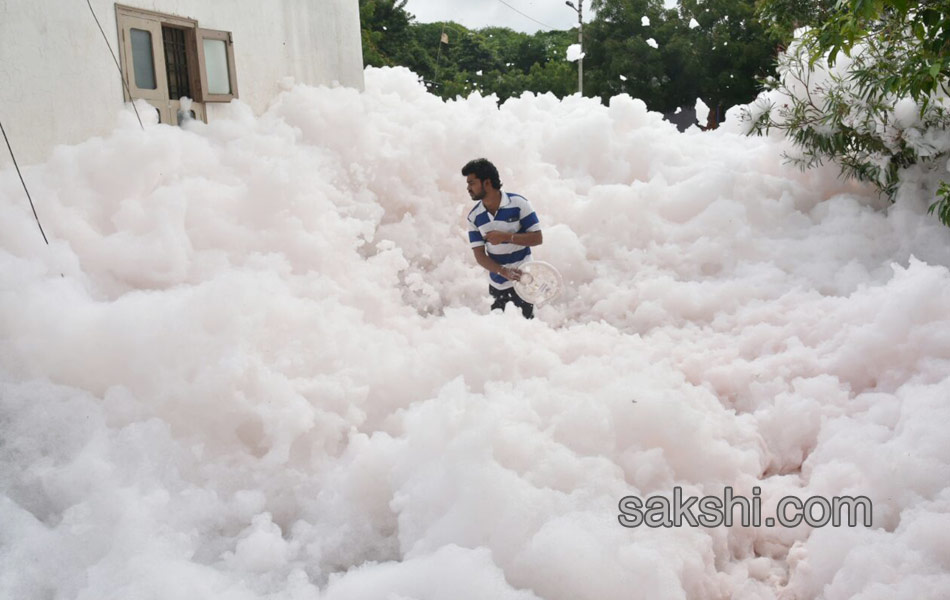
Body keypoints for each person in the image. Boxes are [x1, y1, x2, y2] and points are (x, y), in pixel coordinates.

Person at [462, 158, 543, 318]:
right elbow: (479, 255)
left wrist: (506, 237)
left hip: (524, 280)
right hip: (497, 284)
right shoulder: (474, 217)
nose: (468, 188)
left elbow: (537, 238)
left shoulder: (519, 204)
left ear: (486, 183)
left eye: (472, 183)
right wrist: (503, 271)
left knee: (527, 329)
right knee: (501, 333)